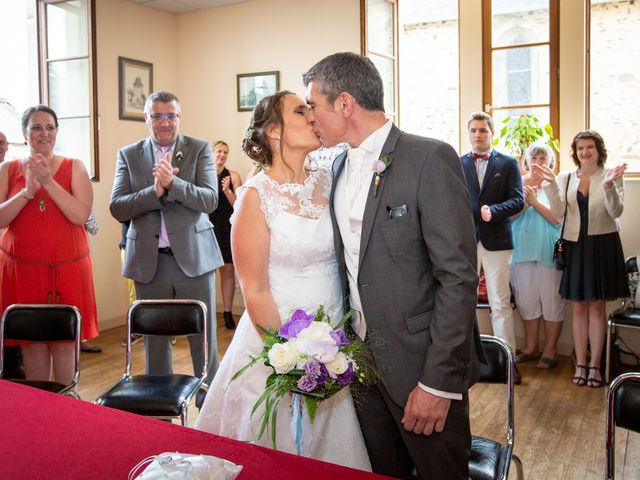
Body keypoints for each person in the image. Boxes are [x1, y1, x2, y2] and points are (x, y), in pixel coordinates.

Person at [303, 52, 483, 479]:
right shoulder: (339, 165)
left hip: (422, 370)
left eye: (314, 105)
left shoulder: (429, 159)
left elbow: (457, 277)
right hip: (362, 372)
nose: (310, 116)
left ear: (344, 104)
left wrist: (438, 383)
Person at [194, 91, 372, 471]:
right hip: (276, 341)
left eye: (310, 109)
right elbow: (254, 288)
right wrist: (287, 360)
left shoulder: (329, 181)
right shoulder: (255, 198)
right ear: (273, 131)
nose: (311, 116)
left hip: (334, 335)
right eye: (300, 110)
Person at [109, 91, 223, 388]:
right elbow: (118, 207)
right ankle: (161, 411)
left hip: (194, 259)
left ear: (178, 118)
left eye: (171, 115)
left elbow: (210, 200)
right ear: (145, 118)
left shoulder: (198, 150)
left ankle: (209, 405)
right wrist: (155, 193)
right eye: (157, 115)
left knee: (203, 338)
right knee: (155, 341)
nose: (164, 122)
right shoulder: (128, 155)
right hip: (150, 262)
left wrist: (174, 184)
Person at [0, 105, 98, 384]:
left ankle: (67, 411)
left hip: (68, 271)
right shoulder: (7, 169)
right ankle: (40, 415)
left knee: (65, 345)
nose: (44, 133)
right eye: (36, 127)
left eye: (50, 127)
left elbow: (80, 215)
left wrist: (48, 183)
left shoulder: (74, 166)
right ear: (24, 133)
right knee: (32, 346)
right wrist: (28, 192)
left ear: (57, 132)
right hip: (24, 272)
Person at [539, 130, 628, 388]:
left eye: (589, 147)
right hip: (575, 245)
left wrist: (609, 186)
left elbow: (616, 211)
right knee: (578, 307)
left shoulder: (610, 174)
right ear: (575, 152)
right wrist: (550, 186)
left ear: (599, 150)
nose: (585, 152)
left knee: (597, 308)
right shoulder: (566, 177)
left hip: (603, 244)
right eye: (580, 148)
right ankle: (580, 363)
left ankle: (595, 366)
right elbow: (557, 213)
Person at [460, 112, 524, 370]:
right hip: (465, 241)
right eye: (473, 130)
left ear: (492, 133)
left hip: (497, 242)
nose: (478, 135)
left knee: (500, 303)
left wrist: (493, 211)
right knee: (462, 301)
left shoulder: (508, 163)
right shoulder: (457, 162)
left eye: (483, 130)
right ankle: (463, 361)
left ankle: (507, 363)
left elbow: (518, 199)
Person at [510, 143, 565, 369]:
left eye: (543, 158)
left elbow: (557, 218)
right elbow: (509, 216)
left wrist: (535, 202)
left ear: (550, 162)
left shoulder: (555, 184)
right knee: (527, 300)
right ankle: (531, 347)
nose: (538, 162)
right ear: (526, 160)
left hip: (547, 250)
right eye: (534, 157)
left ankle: (550, 349)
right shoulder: (517, 182)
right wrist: (525, 203)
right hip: (520, 250)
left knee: (551, 300)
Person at [209, 140, 242, 330]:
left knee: (228, 270)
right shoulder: (203, 174)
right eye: (219, 151)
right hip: (207, 226)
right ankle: (208, 313)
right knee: (207, 272)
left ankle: (228, 313)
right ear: (212, 153)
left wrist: (227, 190)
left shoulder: (234, 176)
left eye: (225, 152)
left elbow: (238, 206)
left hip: (227, 226)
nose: (222, 155)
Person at [0, 130, 25, 379]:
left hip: (9, 253)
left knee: (9, 308)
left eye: (2, 142)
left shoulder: (15, 172)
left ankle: (13, 362)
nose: (0, 146)